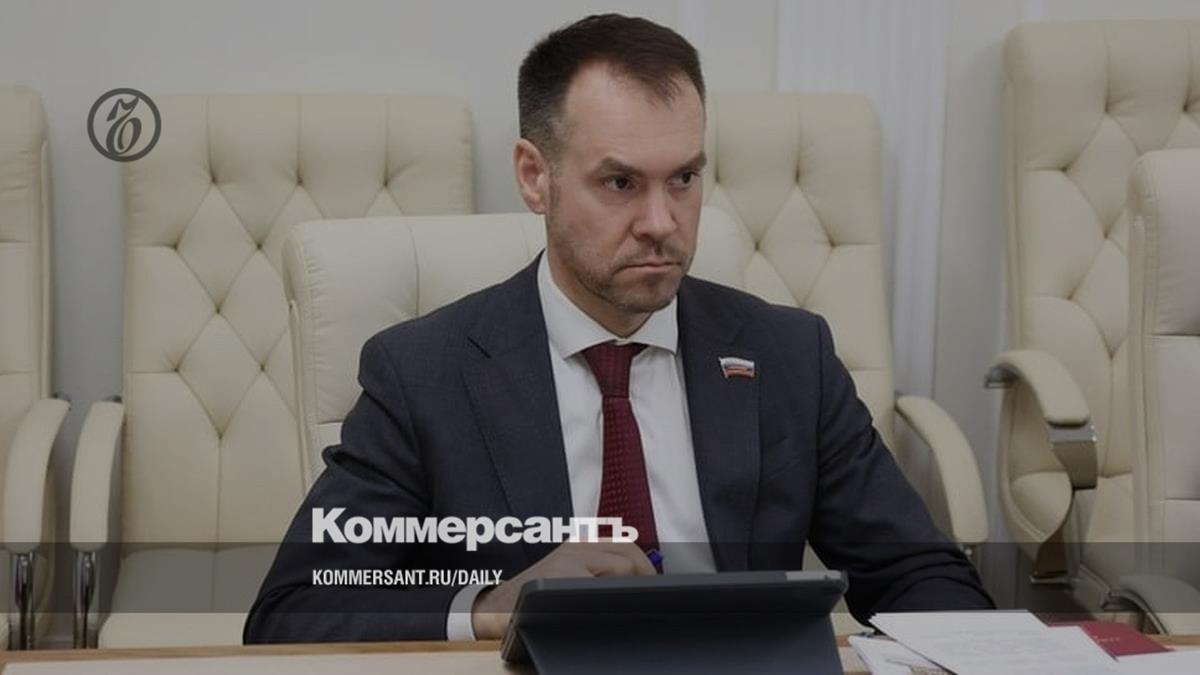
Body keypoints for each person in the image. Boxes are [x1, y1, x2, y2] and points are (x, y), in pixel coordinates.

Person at [244, 13, 992, 644]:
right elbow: (291, 611)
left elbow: (919, 572)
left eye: (684, 178)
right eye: (620, 182)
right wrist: (491, 607)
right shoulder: (424, 374)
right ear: (535, 177)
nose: (662, 222)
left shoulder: (789, 356)